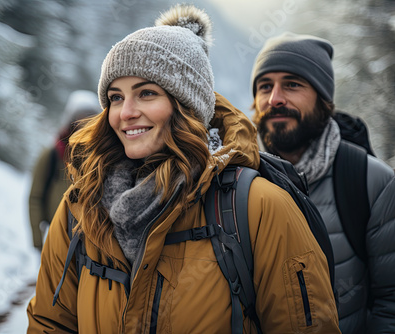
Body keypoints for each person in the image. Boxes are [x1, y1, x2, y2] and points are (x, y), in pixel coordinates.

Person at [27, 5, 340, 333]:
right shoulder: (81, 207)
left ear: (188, 105)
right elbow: (49, 323)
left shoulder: (258, 206)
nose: (126, 112)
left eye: (147, 93)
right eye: (116, 97)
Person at [250, 32, 395, 333]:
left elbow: (390, 304)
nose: (274, 99)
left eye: (292, 84)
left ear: (324, 99)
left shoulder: (372, 182)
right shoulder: (240, 182)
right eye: (265, 86)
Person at [28, 90, 100, 251]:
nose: (86, 121)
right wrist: (38, 240)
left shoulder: (101, 158)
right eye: (82, 115)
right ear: (71, 119)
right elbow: (35, 197)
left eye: (91, 116)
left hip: (89, 243)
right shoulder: (52, 155)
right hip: (54, 237)